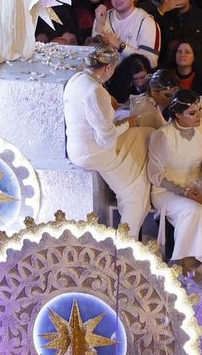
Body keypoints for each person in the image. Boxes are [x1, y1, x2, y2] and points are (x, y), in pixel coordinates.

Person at [64, 47, 152, 233]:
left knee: (145, 134)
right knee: (135, 189)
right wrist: (127, 123)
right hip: (95, 153)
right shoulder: (96, 91)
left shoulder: (76, 79)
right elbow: (107, 140)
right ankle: (126, 244)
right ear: (107, 68)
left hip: (76, 148)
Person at [148, 90, 202, 278]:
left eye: (199, 110)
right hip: (166, 190)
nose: (199, 116)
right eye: (192, 113)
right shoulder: (163, 135)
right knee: (194, 210)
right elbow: (155, 174)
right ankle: (183, 264)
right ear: (177, 115)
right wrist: (185, 192)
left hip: (196, 186)